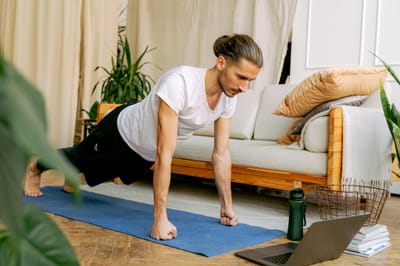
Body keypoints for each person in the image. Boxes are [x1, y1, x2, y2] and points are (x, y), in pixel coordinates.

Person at [24, 33, 263, 240]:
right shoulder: (180, 82)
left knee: (97, 175)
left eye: (250, 81)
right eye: (241, 77)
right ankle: (36, 165)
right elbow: (165, 152)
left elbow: (221, 155)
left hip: (142, 153)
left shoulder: (227, 100)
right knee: (78, 157)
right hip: (120, 132)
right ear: (221, 62)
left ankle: (77, 174)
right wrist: (160, 219)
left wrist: (227, 207)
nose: (244, 88)